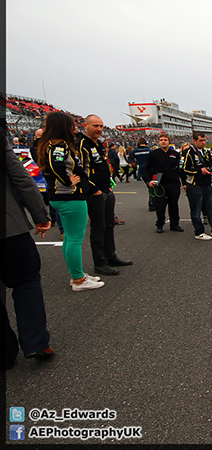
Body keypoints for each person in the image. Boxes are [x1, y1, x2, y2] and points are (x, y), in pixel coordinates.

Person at [3, 125, 55, 370]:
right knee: (26, 281)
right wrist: (40, 215)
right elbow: (21, 178)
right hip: (9, 228)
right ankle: (35, 342)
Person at [36, 112, 105, 291]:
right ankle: (78, 279)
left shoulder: (51, 144)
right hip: (69, 196)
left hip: (62, 197)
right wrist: (68, 181)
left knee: (70, 237)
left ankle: (77, 275)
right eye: (72, 125)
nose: (74, 128)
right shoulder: (59, 146)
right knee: (75, 238)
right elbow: (56, 165)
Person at [78, 115, 133, 276]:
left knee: (109, 225)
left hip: (106, 190)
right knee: (98, 227)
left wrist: (108, 187)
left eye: (101, 126)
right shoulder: (82, 144)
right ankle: (100, 262)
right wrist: (94, 189)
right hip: (95, 193)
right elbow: (81, 171)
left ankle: (111, 256)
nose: (99, 129)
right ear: (85, 126)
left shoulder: (100, 144)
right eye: (95, 126)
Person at [182, 131, 212, 241]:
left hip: (207, 184)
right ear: (194, 141)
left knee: (211, 209)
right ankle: (199, 232)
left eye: (204, 140)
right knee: (196, 210)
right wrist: (199, 171)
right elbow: (184, 168)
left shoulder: (206, 152)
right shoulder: (188, 152)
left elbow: (210, 164)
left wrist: (211, 170)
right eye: (201, 140)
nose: (203, 142)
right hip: (194, 185)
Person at [144, 133, 183, 233]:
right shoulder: (153, 154)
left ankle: (174, 224)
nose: (163, 141)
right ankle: (160, 224)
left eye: (165, 139)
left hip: (173, 183)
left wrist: (184, 182)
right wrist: (149, 180)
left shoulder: (175, 154)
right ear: (159, 141)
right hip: (160, 184)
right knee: (160, 206)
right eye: (161, 140)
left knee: (174, 204)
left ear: (169, 141)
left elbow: (181, 169)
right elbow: (147, 168)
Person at [130, 137, 153, 210]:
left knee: (148, 186)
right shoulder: (149, 150)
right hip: (150, 169)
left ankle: (152, 203)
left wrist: (133, 163)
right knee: (152, 187)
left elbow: (130, 158)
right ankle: (152, 203)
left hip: (142, 170)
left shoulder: (135, 151)